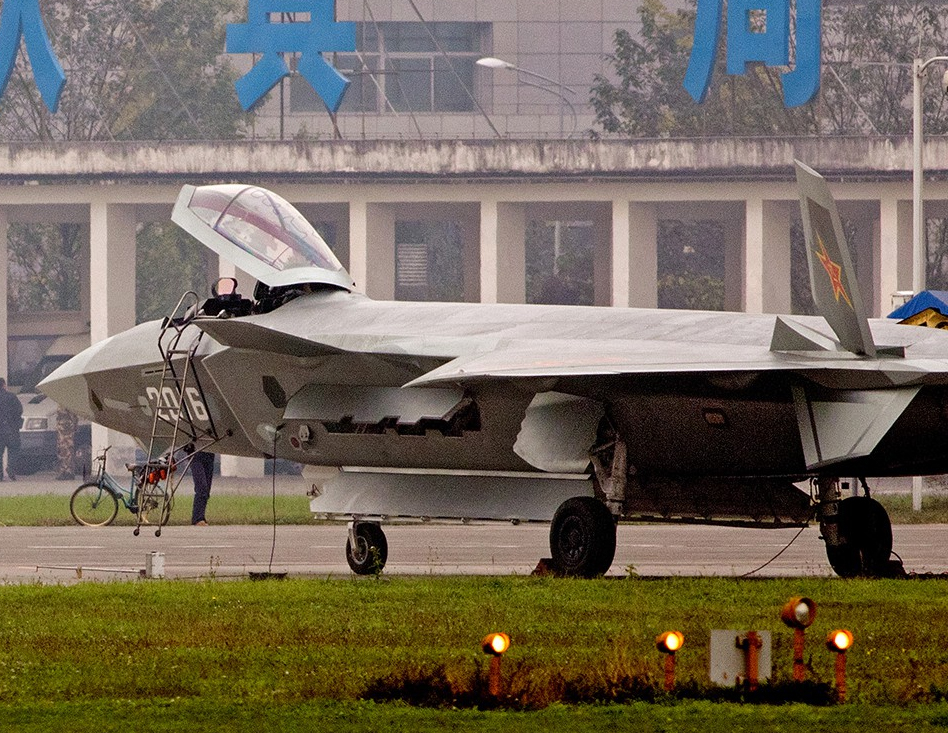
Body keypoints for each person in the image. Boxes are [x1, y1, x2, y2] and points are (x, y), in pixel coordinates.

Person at [0, 378, 21, 480]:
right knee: (14, 449)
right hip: (11, 429)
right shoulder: (12, 396)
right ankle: (11, 468)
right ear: (4, 385)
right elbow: (19, 410)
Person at [188, 450, 215, 525]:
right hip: (196, 454)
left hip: (209, 454)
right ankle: (197, 518)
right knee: (201, 487)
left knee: (206, 491)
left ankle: (201, 516)